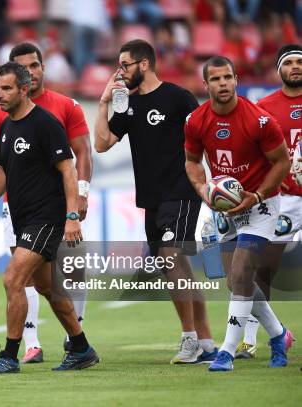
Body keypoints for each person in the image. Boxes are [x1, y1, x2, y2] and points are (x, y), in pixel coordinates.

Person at [0, 61, 99, 374]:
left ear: (24, 89)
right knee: (48, 289)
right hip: (23, 218)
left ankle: (10, 356)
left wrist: (71, 217)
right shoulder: (7, 124)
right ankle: (81, 348)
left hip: (47, 217)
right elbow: (1, 171)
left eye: (7, 88)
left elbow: (68, 169)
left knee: (13, 278)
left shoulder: (46, 124)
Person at [94, 39, 217, 364]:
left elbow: (205, 136)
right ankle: (206, 342)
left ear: (144, 64)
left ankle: (189, 339)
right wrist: (104, 102)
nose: (120, 71)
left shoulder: (178, 98)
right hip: (151, 197)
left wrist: (211, 182)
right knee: (177, 267)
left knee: (170, 255)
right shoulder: (127, 104)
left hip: (182, 190)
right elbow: (103, 144)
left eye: (125, 65)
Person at [184, 55, 292, 372]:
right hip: (227, 208)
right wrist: (203, 190)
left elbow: (282, 162)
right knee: (235, 281)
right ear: (206, 85)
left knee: (243, 270)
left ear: (236, 80)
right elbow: (192, 162)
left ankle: (227, 352)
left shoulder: (259, 120)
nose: (223, 84)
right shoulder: (196, 121)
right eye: (216, 79)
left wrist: (257, 194)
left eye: (228, 77)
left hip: (261, 204)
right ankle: (278, 334)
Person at [234, 44, 301, 359]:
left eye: (301, 62)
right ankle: (250, 339)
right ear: (279, 70)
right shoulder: (264, 107)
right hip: (284, 200)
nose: (296, 67)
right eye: (290, 62)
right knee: (262, 267)